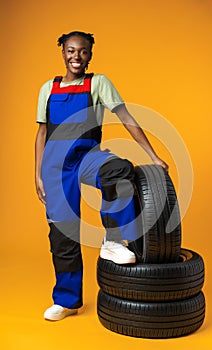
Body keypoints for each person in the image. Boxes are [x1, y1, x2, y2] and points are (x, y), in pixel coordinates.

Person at [35, 31, 168, 321]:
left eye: (82, 52)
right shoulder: (48, 88)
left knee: (119, 170)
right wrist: (38, 175)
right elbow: (42, 133)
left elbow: (126, 117)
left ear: (90, 55)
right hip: (55, 169)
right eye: (70, 51)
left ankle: (114, 241)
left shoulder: (98, 83)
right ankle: (68, 302)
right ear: (62, 52)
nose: (76, 57)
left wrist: (153, 155)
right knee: (62, 236)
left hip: (85, 158)